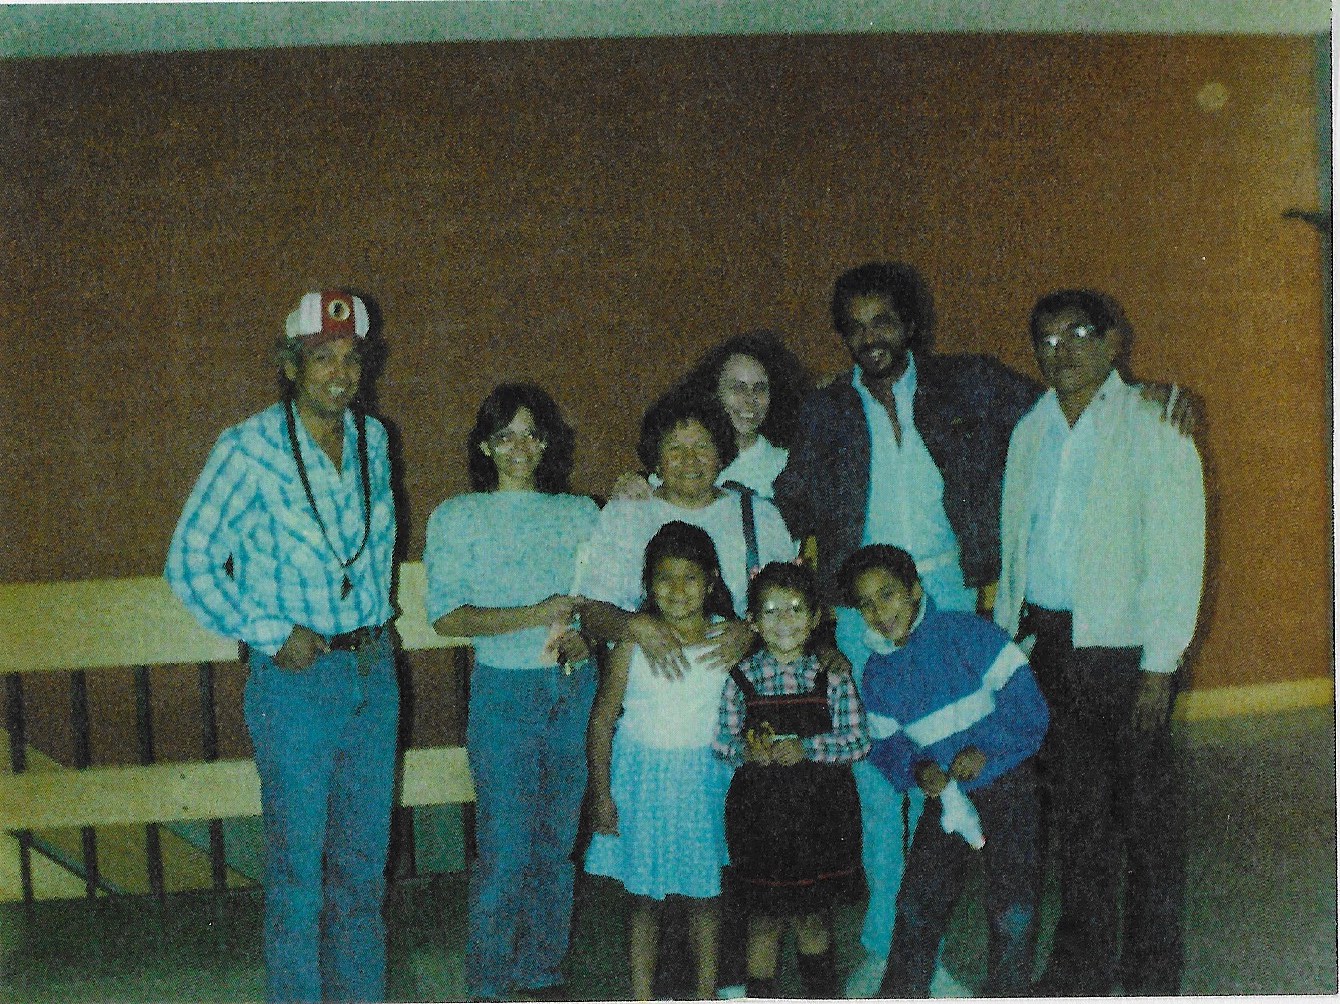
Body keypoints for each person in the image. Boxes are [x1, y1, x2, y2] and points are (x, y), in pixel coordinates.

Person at [772, 260, 1197, 996]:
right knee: (910, 783)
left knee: (1058, 781)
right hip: (882, 608)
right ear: (841, 335)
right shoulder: (828, 410)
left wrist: (1157, 391)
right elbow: (784, 496)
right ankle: (899, 947)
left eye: (884, 320)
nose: (871, 336)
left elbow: (1074, 397)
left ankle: (1126, 967)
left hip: (957, 595)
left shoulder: (971, 384)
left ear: (910, 325)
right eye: (855, 325)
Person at [165, 290, 398, 1003]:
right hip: (296, 685)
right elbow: (189, 562)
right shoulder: (248, 447)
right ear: (292, 365)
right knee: (299, 878)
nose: (339, 372)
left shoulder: (373, 439)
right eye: (322, 357)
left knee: (362, 873)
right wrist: (270, 633)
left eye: (351, 358)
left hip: (373, 670)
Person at [994, 289, 1206, 996]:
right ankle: (1082, 965)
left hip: (1124, 651)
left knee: (1145, 820)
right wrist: (1007, 646)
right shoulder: (1030, 430)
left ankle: (1150, 974)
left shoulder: (1154, 422)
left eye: (1080, 333)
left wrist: (1160, 666)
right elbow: (1014, 548)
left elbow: (1179, 552)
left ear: (1115, 341)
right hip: (1049, 646)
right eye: (1047, 339)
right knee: (1079, 818)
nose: (1065, 349)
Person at [423, 384, 602, 1002]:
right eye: (505, 436)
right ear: (485, 446)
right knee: (505, 848)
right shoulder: (458, 515)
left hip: (571, 688)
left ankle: (543, 974)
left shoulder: (581, 512)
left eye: (531, 434)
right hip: (503, 691)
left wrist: (586, 639)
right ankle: (493, 981)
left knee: (555, 846)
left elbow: (598, 604)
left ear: (547, 441)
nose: (520, 447)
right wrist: (534, 613)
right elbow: (447, 617)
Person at [838, 544, 1049, 997]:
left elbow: (1029, 708)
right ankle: (902, 990)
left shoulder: (967, 633)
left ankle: (1007, 992)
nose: (879, 611)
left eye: (888, 595)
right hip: (950, 797)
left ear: (914, 590)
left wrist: (987, 749)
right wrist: (919, 770)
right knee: (918, 900)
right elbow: (886, 745)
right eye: (867, 604)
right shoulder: (877, 676)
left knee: (1013, 905)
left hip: (1008, 782)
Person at [584, 522, 739, 1000]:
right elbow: (603, 718)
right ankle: (642, 995)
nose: (677, 590)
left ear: (712, 581)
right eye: (664, 578)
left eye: (691, 577)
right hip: (641, 781)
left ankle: (707, 992)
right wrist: (602, 793)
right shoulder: (632, 643)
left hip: (704, 781)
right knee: (643, 899)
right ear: (648, 584)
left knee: (705, 897)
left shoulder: (726, 641)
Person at [712, 561, 869, 999]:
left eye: (797, 609)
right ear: (754, 621)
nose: (785, 620)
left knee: (812, 916)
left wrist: (809, 748)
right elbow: (721, 742)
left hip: (820, 814)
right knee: (763, 918)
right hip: (760, 816)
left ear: (815, 617)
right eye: (772, 610)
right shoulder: (740, 678)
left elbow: (857, 742)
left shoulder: (832, 674)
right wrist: (748, 750)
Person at [575, 389, 797, 676]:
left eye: (702, 447)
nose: (690, 460)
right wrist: (634, 626)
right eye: (675, 449)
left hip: (741, 684)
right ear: (656, 460)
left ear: (721, 454)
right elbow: (591, 613)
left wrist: (752, 632)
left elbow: (794, 601)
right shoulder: (626, 514)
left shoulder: (759, 515)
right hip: (647, 685)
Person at [612, 330, 808, 500]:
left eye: (760, 388)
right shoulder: (691, 462)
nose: (750, 400)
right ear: (713, 391)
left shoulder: (788, 466)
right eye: (738, 388)